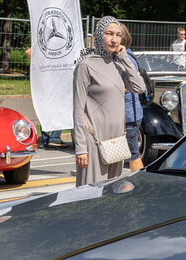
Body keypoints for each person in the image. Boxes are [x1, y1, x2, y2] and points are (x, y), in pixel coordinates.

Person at [72, 16, 144, 186]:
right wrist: (81, 148)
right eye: (109, 34)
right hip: (94, 141)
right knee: (90, 195)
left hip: (116, 142)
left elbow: (139, 87)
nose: (114, 39)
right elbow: (78, 108)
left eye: (118, 35)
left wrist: (124, 57)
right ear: (99, 36)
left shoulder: (118, 65)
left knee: (110, 195)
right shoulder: (85, 66)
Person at [119, 24, 144, 171]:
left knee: (133, 155)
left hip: (128, 116)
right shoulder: (125, 55)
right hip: (128, 114)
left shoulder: (126, 58)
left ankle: (139, 186)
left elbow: (132, 85)